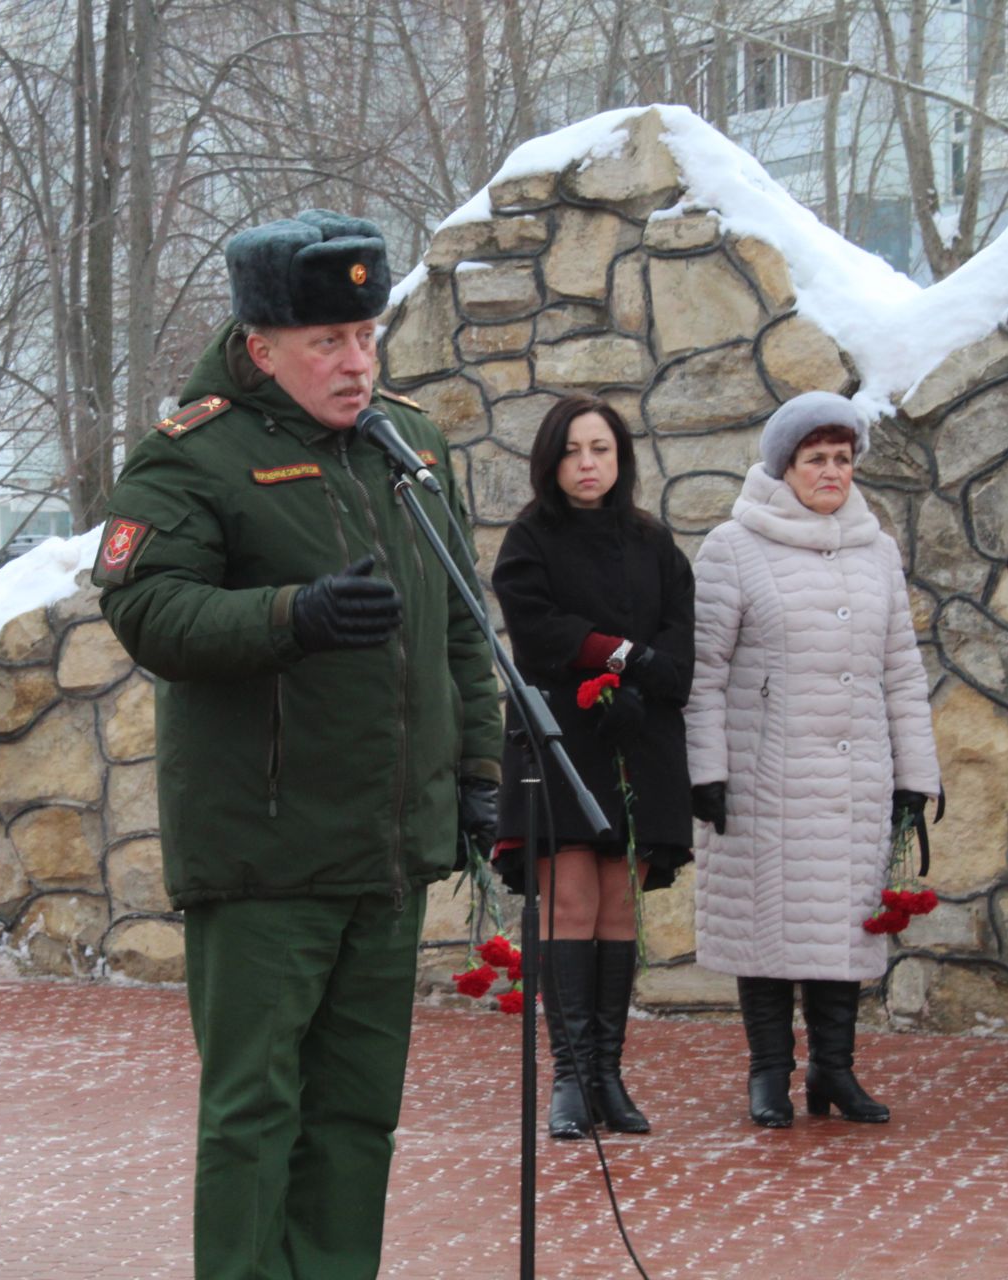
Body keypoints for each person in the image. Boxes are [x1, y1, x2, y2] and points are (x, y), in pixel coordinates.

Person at [94, 209, 503, 1279]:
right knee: (255, 1111)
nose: (355, 362)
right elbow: (148, 613)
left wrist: (479, 774)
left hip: (385, 846)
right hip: (266, 848)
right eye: (327, 342)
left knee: (359, 1112)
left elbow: (461, 622)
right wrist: (289, 617)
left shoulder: (412, 444)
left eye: (366, 335)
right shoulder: (194, 455)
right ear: (261, 344)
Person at [685, 392, 941, 1127]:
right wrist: (707, 770)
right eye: (816, 459)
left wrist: (915, 778)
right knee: (765, 929)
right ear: (785, 465)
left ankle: (836, 1070)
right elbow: (702, 670)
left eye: (842, 459)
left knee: (843, 927)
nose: (832, 472)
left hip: (855, 779)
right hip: (765, 777)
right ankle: (768, 1073)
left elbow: (901, 668)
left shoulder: (876, 548)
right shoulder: (733, 546)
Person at [489, 395, 694, 1139]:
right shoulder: (530, 538)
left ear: (620, 458)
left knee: (617, 908)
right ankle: (570, 1079)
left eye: (601, 449)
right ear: (551, 460)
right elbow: (536, 628)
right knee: (571, 902)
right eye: (574, 450)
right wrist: (617, 655)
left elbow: (678, 648)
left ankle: (609, 1075)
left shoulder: (654, 543)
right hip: (560, 741)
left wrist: (638, 683)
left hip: (637, 742)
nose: (588, 464)